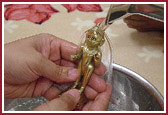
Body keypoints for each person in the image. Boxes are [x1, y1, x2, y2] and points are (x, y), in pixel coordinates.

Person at [4, 33, 112, 111]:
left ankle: (82, 87)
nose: (90, 39)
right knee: (78, 75)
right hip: (80, 64)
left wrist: (97, 58)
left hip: (88, 65)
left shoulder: (96, 51)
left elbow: (97, 63)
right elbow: (78, 55)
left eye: (94, 39)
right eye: (89, 37)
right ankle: (75, 85)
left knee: (86, 77)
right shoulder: (84, 47)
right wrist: (75, 56)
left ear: (100, 42)